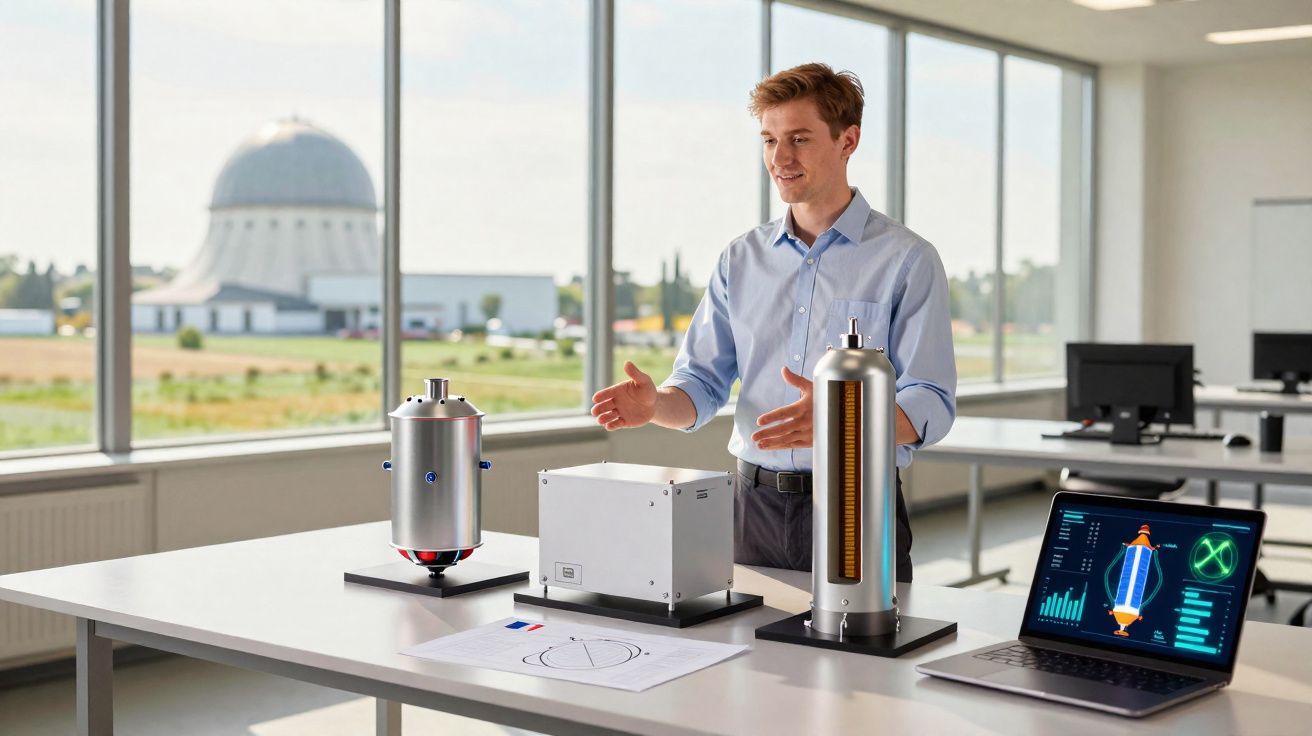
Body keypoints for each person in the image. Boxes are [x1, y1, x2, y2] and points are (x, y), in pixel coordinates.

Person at [589, 63, 956, 583]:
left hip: (855, 505)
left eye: (799, 139)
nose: (780, 158)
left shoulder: (906, 260)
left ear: (848, 140)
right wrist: (655, 406)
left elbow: (931, 403)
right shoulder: (740, 259)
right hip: (750, 508)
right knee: (751, 659)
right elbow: (701, 385)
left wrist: (844, 419)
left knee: (862, 664)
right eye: (769, 140)